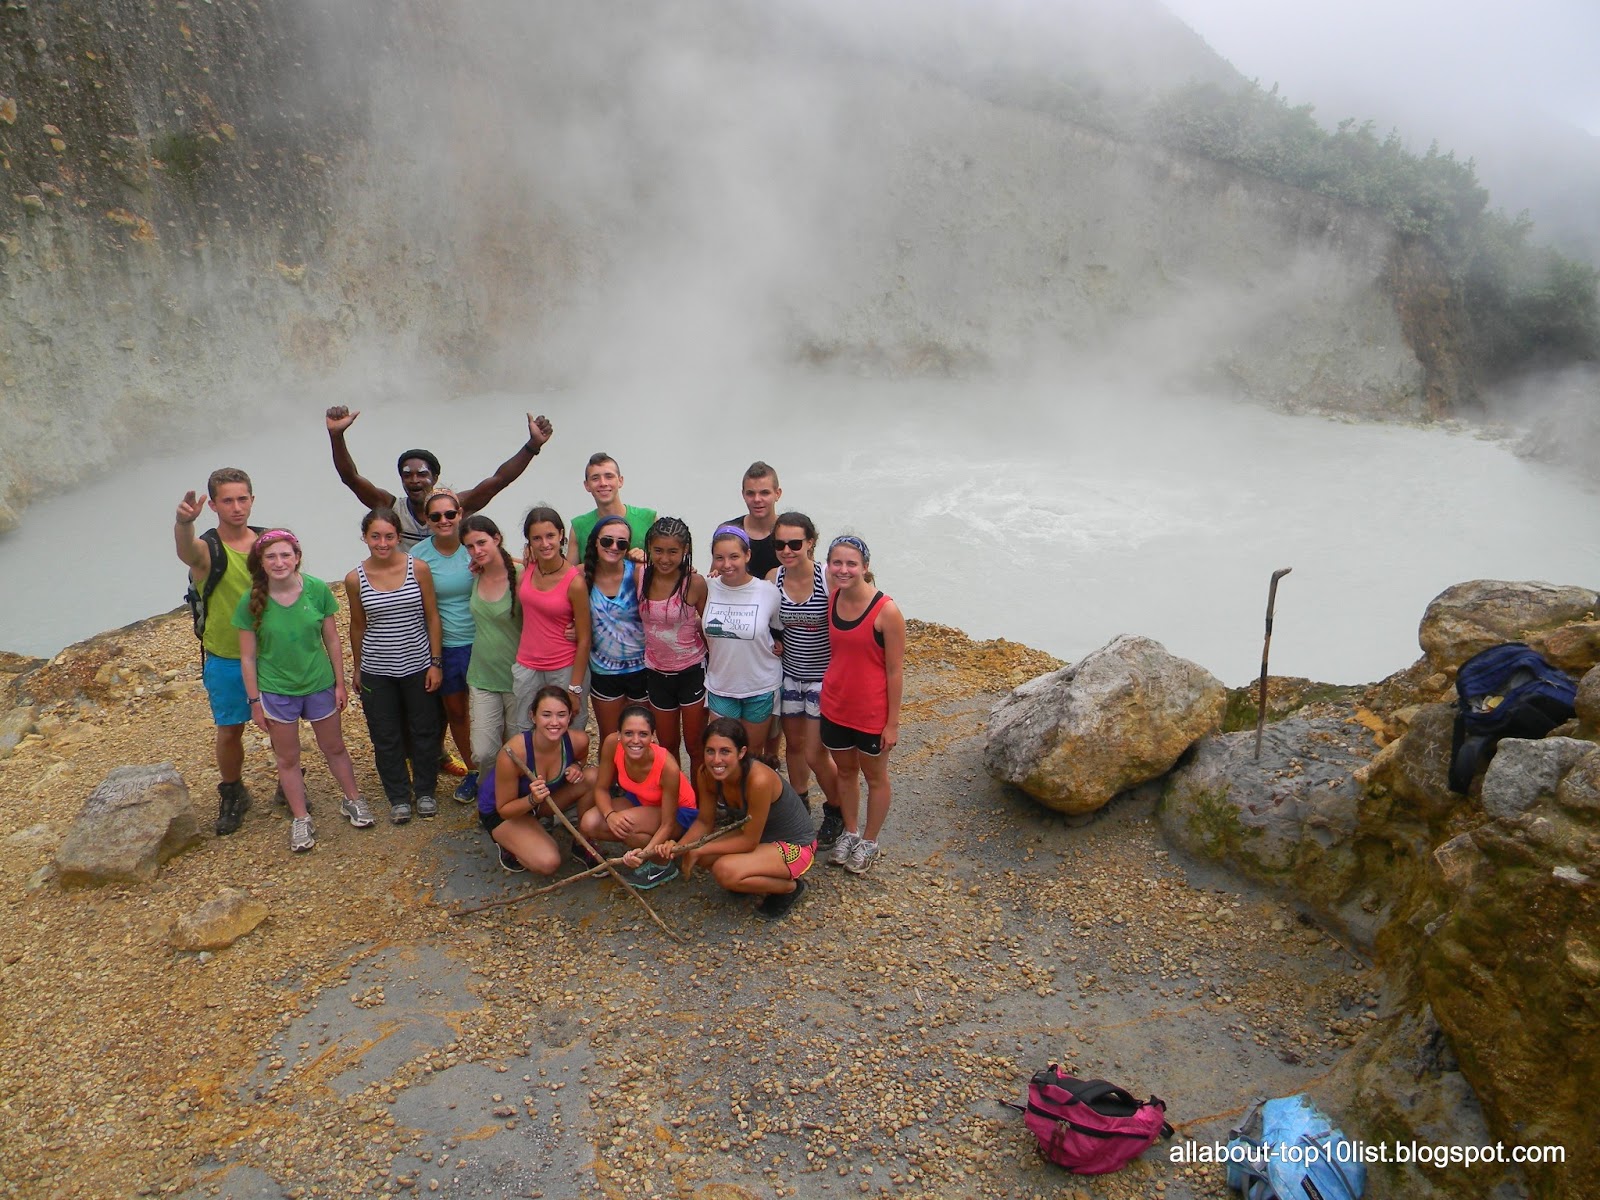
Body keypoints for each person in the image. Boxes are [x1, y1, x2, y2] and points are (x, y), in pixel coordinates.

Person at [233, 529, 374, 852]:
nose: (279, 562)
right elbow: (248, 656)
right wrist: (255, 701)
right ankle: (300, 818)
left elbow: (333, 641)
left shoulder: (316, 590)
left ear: (297, 557)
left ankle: (353, 799)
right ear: (260, 562)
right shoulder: (251, 601)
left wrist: (340, 683)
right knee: (288, 757)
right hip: (277, 689)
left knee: (334, 746)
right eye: (271, 556)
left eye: (285, 555)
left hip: (318, 683)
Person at [643, 718, 816, 920]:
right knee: (702, 856)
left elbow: (749, 841)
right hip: (759, 836)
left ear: (741, 752)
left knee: (724, 871)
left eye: (725, 751)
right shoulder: (706, 773)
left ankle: (790, 888)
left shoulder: (758, 780)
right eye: (710, 751)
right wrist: (680, 847)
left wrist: (698, 849)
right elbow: (704, 822)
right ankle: (748, 876)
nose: (716, 760)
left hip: (794, 845)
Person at [323, 406, 554, 546]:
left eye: (422, 474)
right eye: (407, 475)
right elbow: (351, 478)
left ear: (434, 478)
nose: (414, 480)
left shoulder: (454, 508)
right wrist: (336, 436)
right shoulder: (390, 507)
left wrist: (532, 446)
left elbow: (499, 480)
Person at [174, 468, 262, 836]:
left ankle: (288, 783)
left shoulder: (267, 543)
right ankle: (232, 791)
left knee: (283, 724)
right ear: (213, 505)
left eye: (242, 499)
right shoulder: (208, 549)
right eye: (227, 500)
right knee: (230, 729)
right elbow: (186, 553)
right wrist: (183, 524)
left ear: (252, 500)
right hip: (225, 655)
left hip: (271, 652)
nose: (236, 507)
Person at [345, 507, 445, 823]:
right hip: (378, 667)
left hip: (418, 663)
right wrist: (358, 668)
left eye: (389, 536)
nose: (383, 543)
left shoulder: (419, 569)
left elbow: (432, 616)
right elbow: (358, 625)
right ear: (365, 538)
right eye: (376, 536)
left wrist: (435, 662)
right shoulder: (354, 579)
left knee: (424, 729)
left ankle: (426, 790)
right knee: (385, 735)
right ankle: (399, 796)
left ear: (399, 537)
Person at [820, 535, 905, 876]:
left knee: (875, 776)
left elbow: (895, 671)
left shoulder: (886, 611)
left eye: (851, 563)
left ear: (866, 568)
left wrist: (893, 723)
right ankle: (851, 831)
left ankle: (869, 840)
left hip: (871, 712)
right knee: (845, 771)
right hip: (834, 706)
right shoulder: (833, 598)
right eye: (836, 563)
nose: (843, 569)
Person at [766, 512, 844, 844]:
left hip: (823, 678)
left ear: (811, 543)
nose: (787, 550)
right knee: (793, 747)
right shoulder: (774, 578)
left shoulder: (829, 578)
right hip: (789, 676)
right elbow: (761, 615)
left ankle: (837, 809)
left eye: (795, 543)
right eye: (780, 543)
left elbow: (859, 608)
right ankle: (799, 808)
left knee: (815, 753)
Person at [478, 686, 594, 874]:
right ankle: (507, 842)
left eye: (561, 715)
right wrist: (532, 799)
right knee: (548, 862)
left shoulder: (578, 740)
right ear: (533, 716)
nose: (554, 722)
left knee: (593, 777)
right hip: (504, 811)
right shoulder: (514, 753)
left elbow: (581, 758)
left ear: (570, 717)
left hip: (540, 803)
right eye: (546, 715)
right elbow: (505, 809)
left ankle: (583, 842)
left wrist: (577, 767)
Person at [579, 705, 696, 888]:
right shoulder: (612, 744)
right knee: (589, 823)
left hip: (679, 815)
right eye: (628, 733)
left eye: (643, 734)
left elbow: (668, 823)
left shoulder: (667, 766)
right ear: (618, 734)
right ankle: (655, 850)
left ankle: (661, 863)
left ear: (653, 736)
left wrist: (642, 854)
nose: (635, 740)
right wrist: (610, 816)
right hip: (640, 800)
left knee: (627, 824)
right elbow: (601, 789)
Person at [414, 488, 478, 799]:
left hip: (484, 642)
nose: (444, 520)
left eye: (450, 514)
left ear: (460, 514)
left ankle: (503, 769)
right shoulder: (419, 556)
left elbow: (507, 566)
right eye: (436, 516)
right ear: (426, 520)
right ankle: (474, 771)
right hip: (446, 646)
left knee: (495, 710)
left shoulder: (474, 545)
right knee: (457, 712)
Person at [701, 525, 784, 760]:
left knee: (753, 754)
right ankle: (725, 798)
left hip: (760, 684)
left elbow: (777, 629)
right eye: (720, 558)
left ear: (747, 555)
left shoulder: (768, 591)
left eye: (734, 556)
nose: (727, 564)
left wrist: (780, 642)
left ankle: (753, 797)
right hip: (721, 684)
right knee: (724, 754)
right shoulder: (706, 588)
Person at [639, 517, 708, 783]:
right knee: (667, 747)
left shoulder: (694, 583)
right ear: (648, 549)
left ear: (685, 551)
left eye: (672, 552)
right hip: (656, 672)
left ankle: (703, 807)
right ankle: (678, 803)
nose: (665, 559)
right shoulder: (640, 576)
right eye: (658, 551)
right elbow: (593, 567)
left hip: (691, 671)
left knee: (695, 746)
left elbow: (711, 626)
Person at [513, 506, 591, 731]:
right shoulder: (528, 567)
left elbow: (585, 638)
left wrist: (574, 688)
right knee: (526, 729)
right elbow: (496, 556)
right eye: (536, 538)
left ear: (561, 536)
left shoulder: (574, 582)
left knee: (569, 732)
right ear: (528, 541)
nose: (544, 544)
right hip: (527, 666)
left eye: (550, 536)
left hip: (564, 668)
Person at [462, 514, 522, 805]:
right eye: (470, 547)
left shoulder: (522, 576)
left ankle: (517, 803)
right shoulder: (476, 574)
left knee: (517, 749)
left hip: (518, 677)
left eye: (481, 542)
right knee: (484, 751)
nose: (477, 551)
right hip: (482, 675)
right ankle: (489, 801)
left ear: (497, 538)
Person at [584, 515, 648, 745]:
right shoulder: (582, 576)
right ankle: (611, 781)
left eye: (621, 543)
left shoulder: (639, 572)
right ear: (595, 542)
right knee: (610, 739)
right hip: (604, 671)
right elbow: (547, 572)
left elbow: (673, 574)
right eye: (607, 541)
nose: (614, 547)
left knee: (642, 739)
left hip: (642, 667)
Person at [566, 453, 658, 564]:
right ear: (587, 485)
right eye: (595, 478)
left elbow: (667, 564)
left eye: (609, 476)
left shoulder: (648, 519)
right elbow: (570, 576)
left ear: (620, 481)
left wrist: (648, 559)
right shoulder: (579, 527)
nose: (603, 483)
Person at [720, 461, 783, 580]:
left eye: (765, 493)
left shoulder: (793, 533)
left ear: (777, 494)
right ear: (743, 494)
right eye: (750, 493)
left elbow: (809, 575)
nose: (757, 499)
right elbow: (716, 576)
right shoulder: (728, 532)